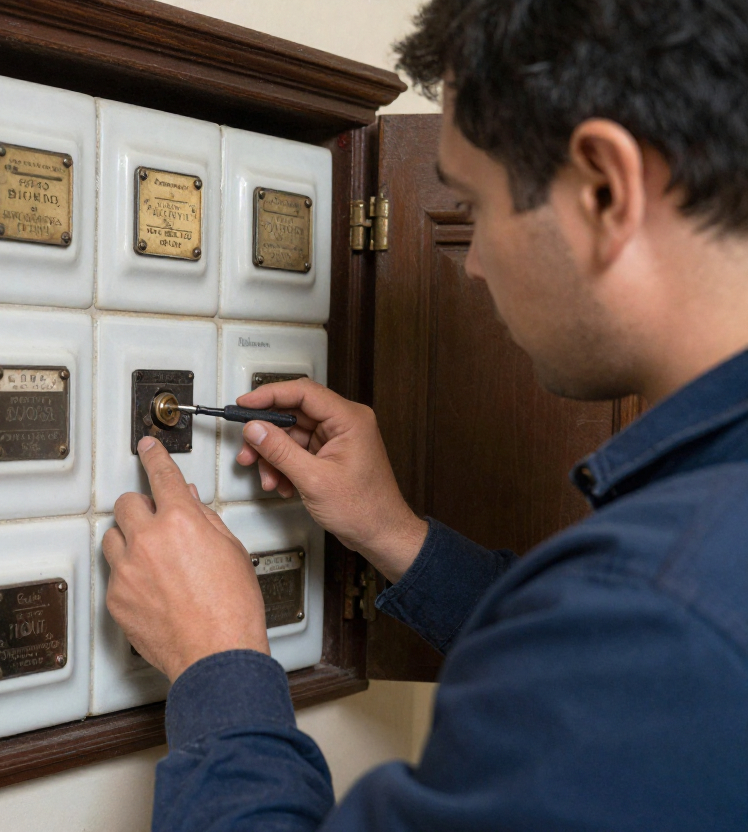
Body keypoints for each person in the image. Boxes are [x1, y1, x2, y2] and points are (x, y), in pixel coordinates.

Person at [102, 0, 748, 829]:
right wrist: (396, 535)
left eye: (474, 204)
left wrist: (216, 660)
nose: (471, 262)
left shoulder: (658, 611)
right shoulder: (671, 595)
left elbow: (633, 648)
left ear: (604, 187)